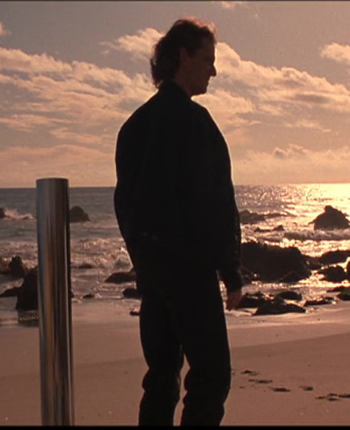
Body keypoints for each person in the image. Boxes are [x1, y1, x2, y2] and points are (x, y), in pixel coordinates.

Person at [113, 17, 243, 426]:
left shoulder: (134, 126)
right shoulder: (195, 122)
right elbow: (216, 202)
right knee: (211, 374)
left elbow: (124, 204)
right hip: (189, 269)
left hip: (153, 271)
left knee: (161, 377)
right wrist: (231, 271)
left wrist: (141, 255)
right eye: (208, 59)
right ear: (183, 57)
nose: (213, 71)